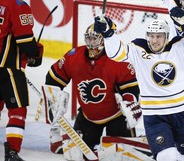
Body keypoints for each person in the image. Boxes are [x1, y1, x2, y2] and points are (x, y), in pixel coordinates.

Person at [93, 16, 184, 161]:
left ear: (166, 37)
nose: (154, 40)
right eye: (151, 36)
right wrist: (109, 35)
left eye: (159, 36)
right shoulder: (138, 49)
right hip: (155, 116)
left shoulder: (179, 46)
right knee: (167, 156)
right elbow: (116, 54)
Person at [44, 24, 141, 159]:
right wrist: (53, 99)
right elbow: (53, 78)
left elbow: (130, 87)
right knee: (74, 154)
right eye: (88, 39)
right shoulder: (74, 56)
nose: (90, 43)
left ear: (103, 40)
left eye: (94, 39)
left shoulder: (117, 59)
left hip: (117, 117)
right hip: (88, 117)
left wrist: (130, 103)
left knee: (124, 156)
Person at [0, 0, 44, 161]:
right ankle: (11, 151)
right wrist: (35, 54)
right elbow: (25, 39)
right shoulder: (19, 5)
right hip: (9, 68)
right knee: (17, 110)